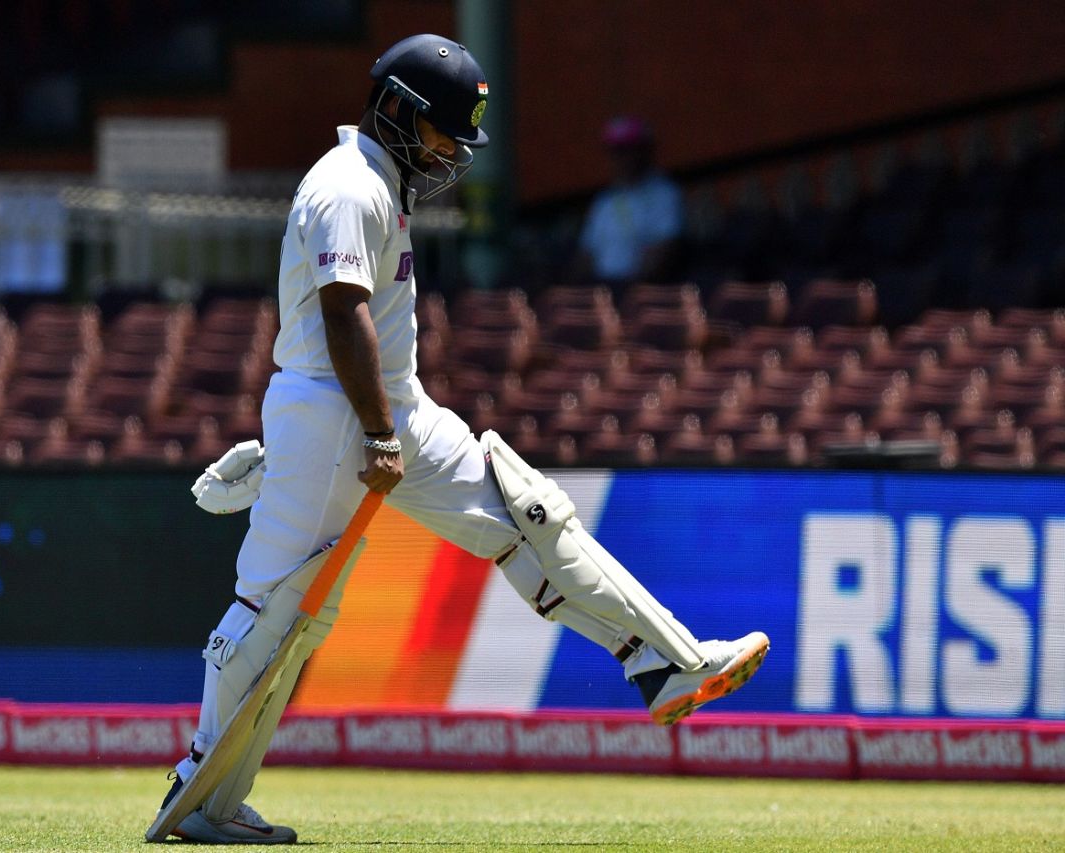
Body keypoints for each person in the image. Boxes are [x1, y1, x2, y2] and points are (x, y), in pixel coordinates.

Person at [156, 34, 768, 844]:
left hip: (388, 407)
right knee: (281, 610)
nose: (450, 151)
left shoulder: (379, 181)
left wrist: (384, 421)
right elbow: (343, 313)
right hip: (346, 412)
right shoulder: (346, 185)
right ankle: (199, 793)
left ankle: (666, 663)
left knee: (530, 514)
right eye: (444, 131)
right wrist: (374, 432)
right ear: (400, 111)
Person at [574, 115, 684, 286]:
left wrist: (630, 291)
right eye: (616, 150)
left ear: (645, 150)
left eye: (628, 149)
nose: (621, 158)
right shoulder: (604, 201)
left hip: (638, 294)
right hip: (601, 294)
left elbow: (661, 254)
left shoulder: (664, 195)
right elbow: (586, 255)